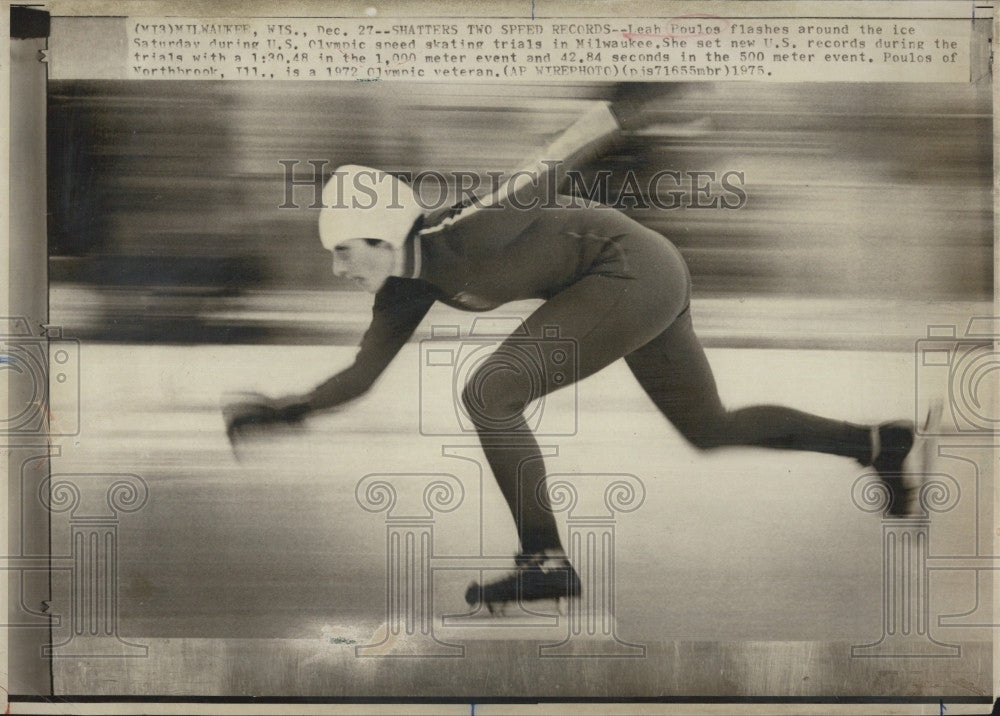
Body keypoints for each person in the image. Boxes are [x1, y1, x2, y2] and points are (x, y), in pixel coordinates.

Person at [224, 96, 928, 614]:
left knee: (488, 393)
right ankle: (875, 443)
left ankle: (545, 559)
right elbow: (360, 374)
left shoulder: (467, 229)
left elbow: (559, 154)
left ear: (378, 234)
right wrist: (290, 410)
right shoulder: (402, 291)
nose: (340, 269)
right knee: (709, 427)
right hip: (638, 277)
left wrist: (643, 111)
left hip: (630, 269)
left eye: (344, 253)